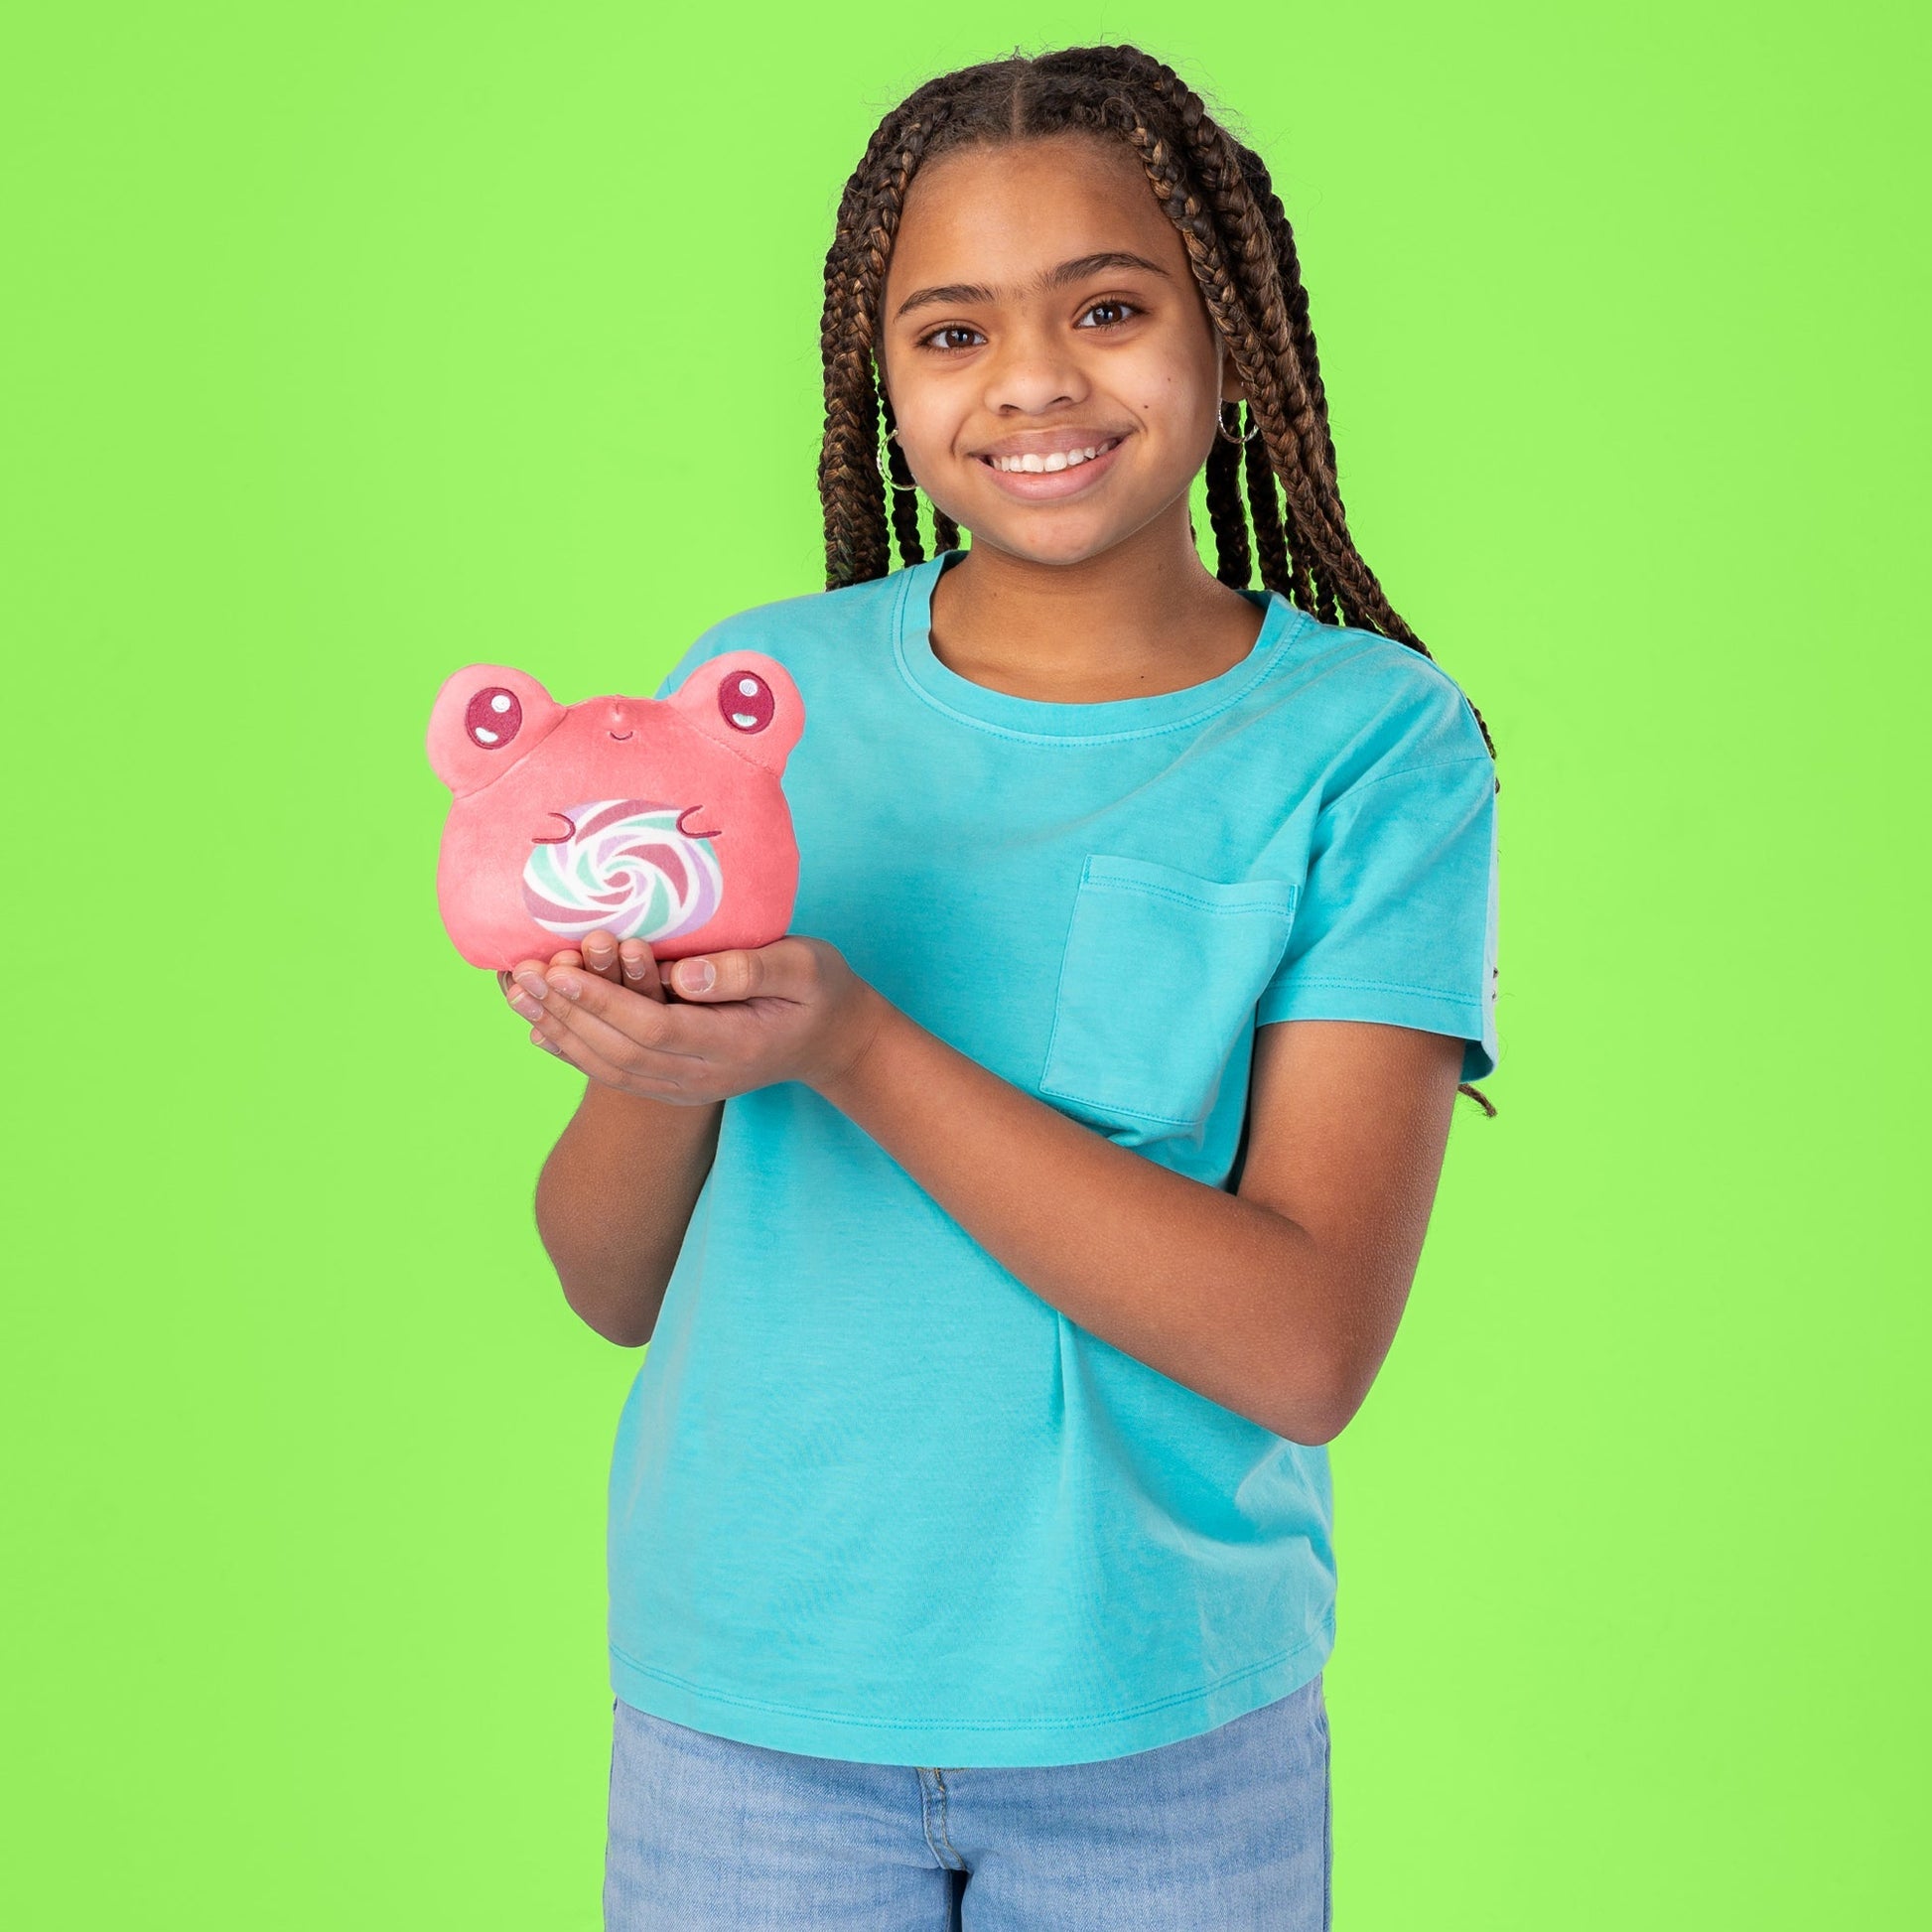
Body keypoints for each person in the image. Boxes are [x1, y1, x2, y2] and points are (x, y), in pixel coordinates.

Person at [499, 42, 1500, 1932]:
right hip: (750, 1711)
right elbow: (605, 1277)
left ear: (1234, 330)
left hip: (1162, 1727)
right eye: (950, 333)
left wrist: (855, 1043)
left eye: (1106, 309)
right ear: (879, 381)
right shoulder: (757, 702)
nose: (1034, 382)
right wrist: (646, 1055)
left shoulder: (1373, 751)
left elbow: (1303, 1344)